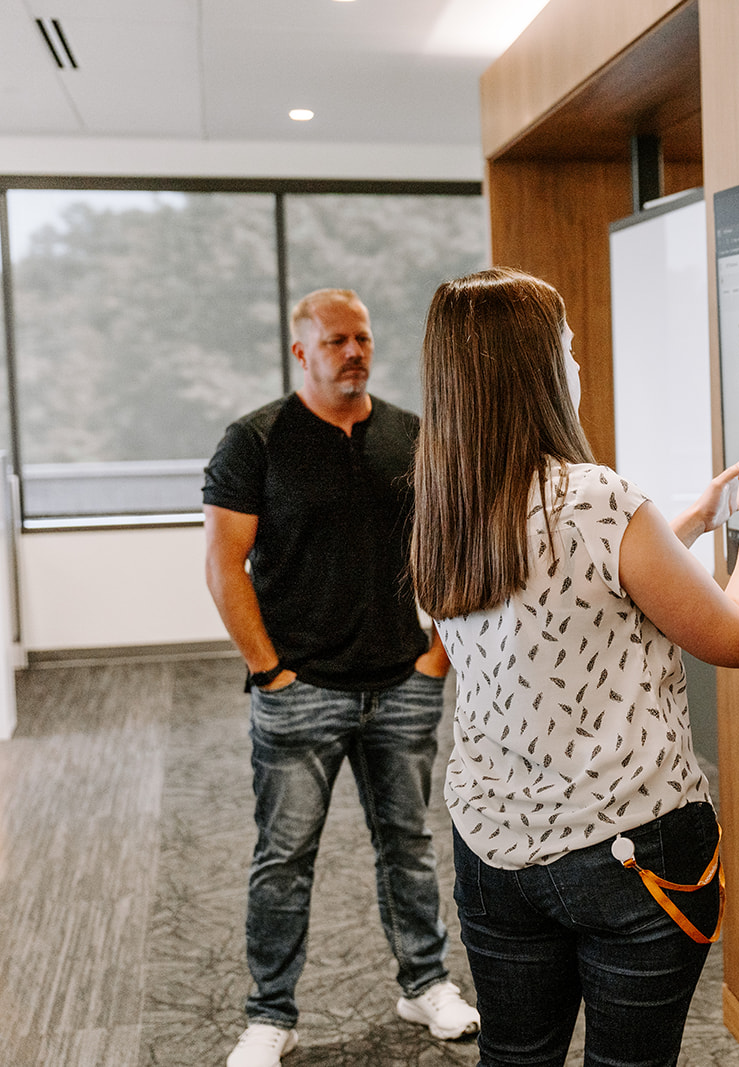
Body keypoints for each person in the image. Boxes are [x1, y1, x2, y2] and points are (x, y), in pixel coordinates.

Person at [409, 267, 739, 1067]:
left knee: (516, 1056)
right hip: (626, 856)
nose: (576, 364)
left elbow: (559, 597)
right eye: (565, 348)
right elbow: (735, 635)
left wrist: (692, 523)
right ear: (533, 371)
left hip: (493, 850)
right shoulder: (595, 496)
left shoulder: (445, 502)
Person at [203, 288, 480, 1067]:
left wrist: (437, 657)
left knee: (409, 845)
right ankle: (270, 1014)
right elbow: (225, 565)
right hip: (301, 690)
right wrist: (271, 672)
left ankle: (424, 981)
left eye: (361, 338)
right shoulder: (256, 441)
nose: (353, 351)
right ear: (303, 352)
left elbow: (456, 547)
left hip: (403, 681)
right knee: (284, 857)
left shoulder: (410, 435)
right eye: (335, 341)